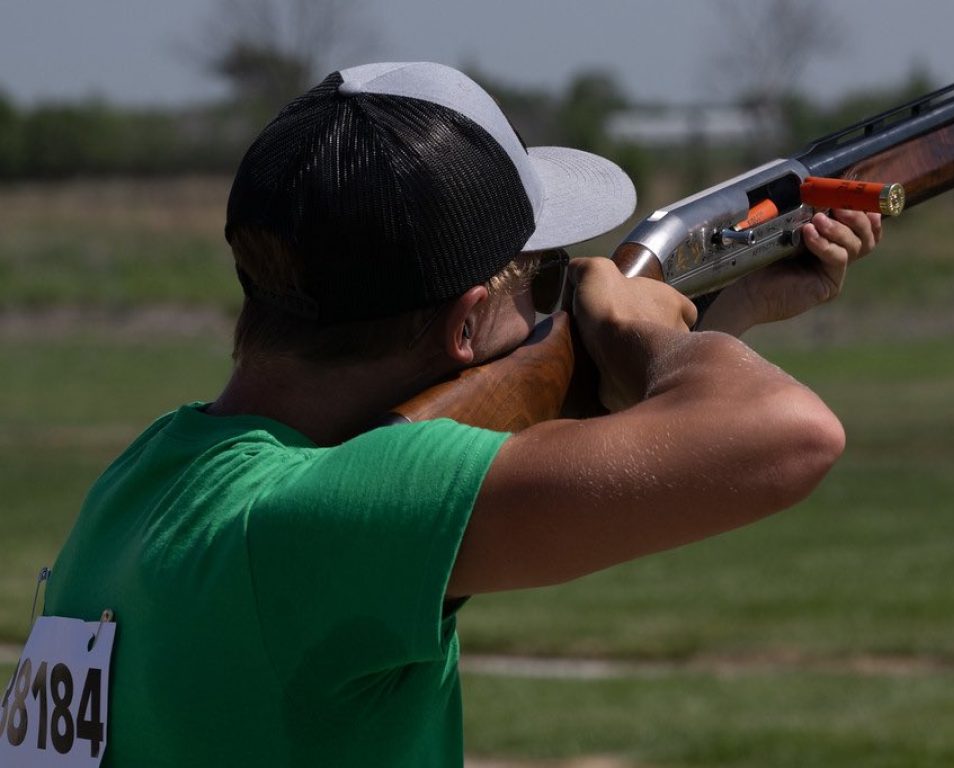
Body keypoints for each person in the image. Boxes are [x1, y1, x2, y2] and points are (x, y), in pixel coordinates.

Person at [42, 62, 881, 766]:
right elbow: (791, 436)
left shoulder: (153, 477)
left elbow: (577, 453)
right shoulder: (317, 525)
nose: (564, 307)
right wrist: (631, 324)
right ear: (465, 325)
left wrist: (721, 317)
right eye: (549, 283)